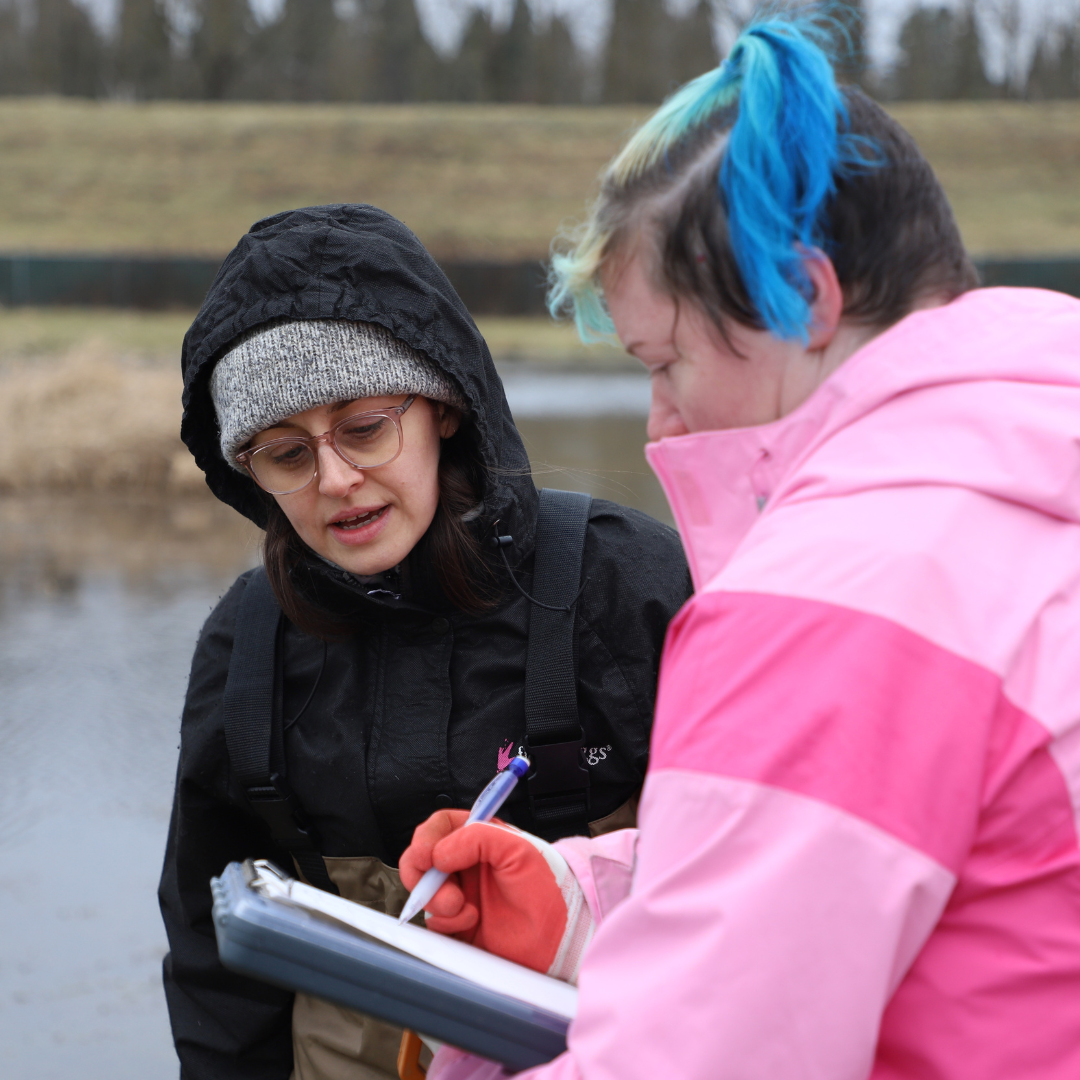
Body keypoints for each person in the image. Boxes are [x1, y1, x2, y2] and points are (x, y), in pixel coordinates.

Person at [399, 14, 1080, 1080]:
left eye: (664, 363)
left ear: (804, 298)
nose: (656, 423)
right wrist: (586, 905)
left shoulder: (841, 602)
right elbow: (951, 876)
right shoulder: (1034, 498)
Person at [158, 204, 692, 1080]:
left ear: (443, 405)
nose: (336, 480)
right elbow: (215, 966)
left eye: (365, 428)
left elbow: (753, 891)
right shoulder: (243, 647)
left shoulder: (624, 584)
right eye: (286, 455)